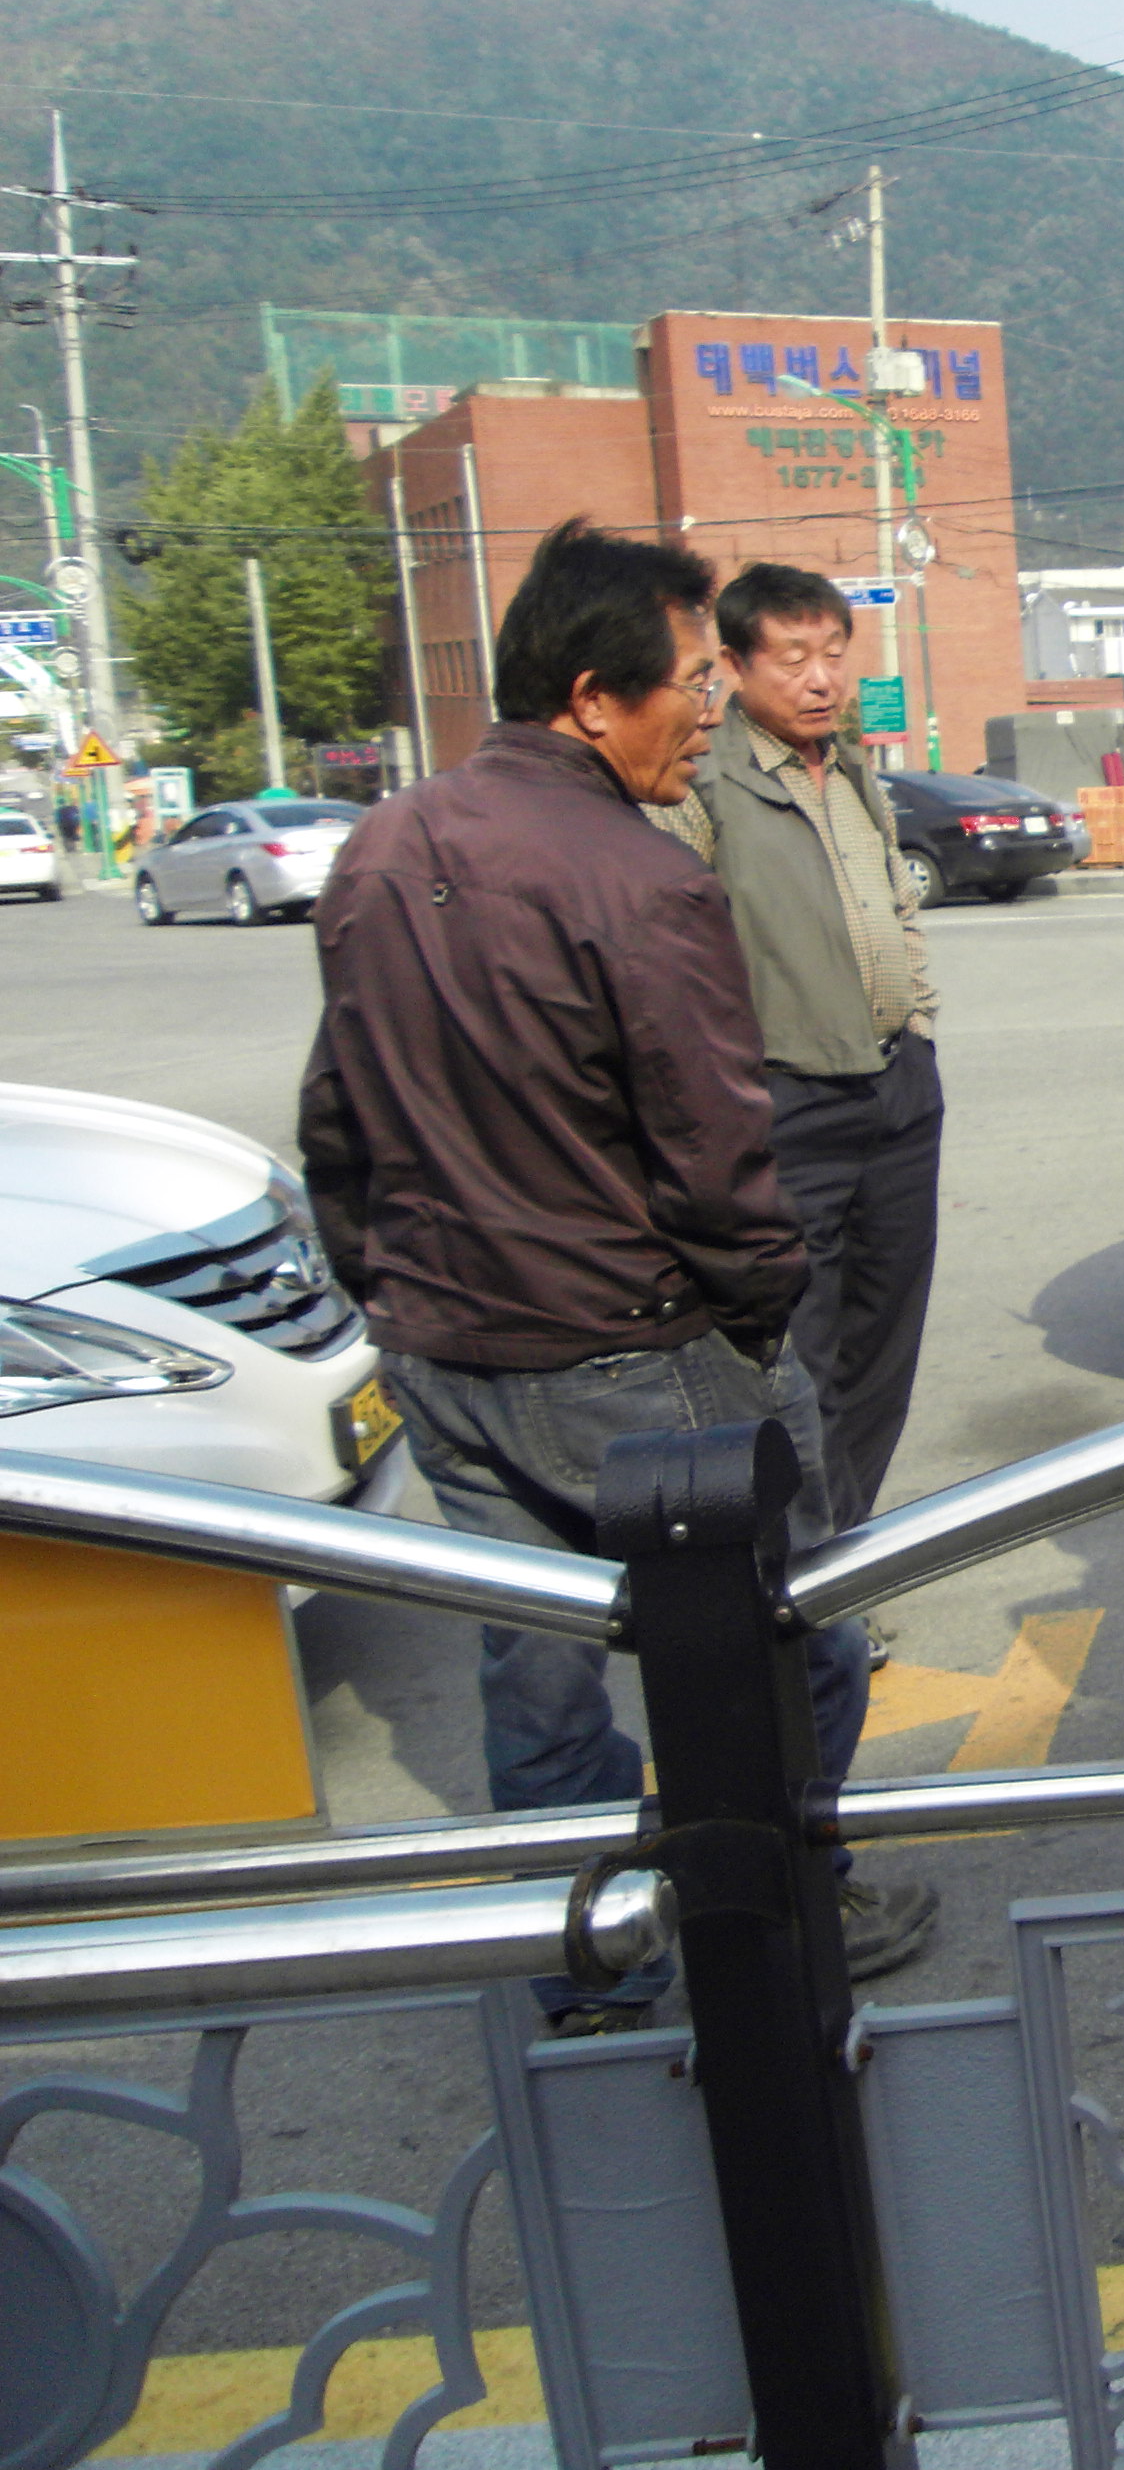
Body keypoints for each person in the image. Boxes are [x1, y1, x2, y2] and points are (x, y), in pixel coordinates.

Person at [297, 521, 932, 2028]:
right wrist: (758, 1321)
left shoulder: (382, 847)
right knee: (800, 1638)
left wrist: (393, 1291)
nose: (706, 714)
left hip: (447, 1351)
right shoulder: (638, 881)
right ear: (593, 697)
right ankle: (778, 1912)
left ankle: (587, 1957)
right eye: (693, 683)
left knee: (536, 1664)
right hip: (636, 1348)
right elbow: (717, 1158)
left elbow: (337, 1117)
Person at [648, 562, 945, 1541]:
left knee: (883, 1344)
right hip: (784, 1105)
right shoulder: (704, 784)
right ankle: (804, 1567)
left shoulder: (853, 772)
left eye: (832, 655)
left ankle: (844, 1545)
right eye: (791, 658)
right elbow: (669, 954)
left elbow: (898, 908)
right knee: (798, 1357)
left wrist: (920, 1023)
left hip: (897, 1092)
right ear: (735, 666)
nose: (820, 680)